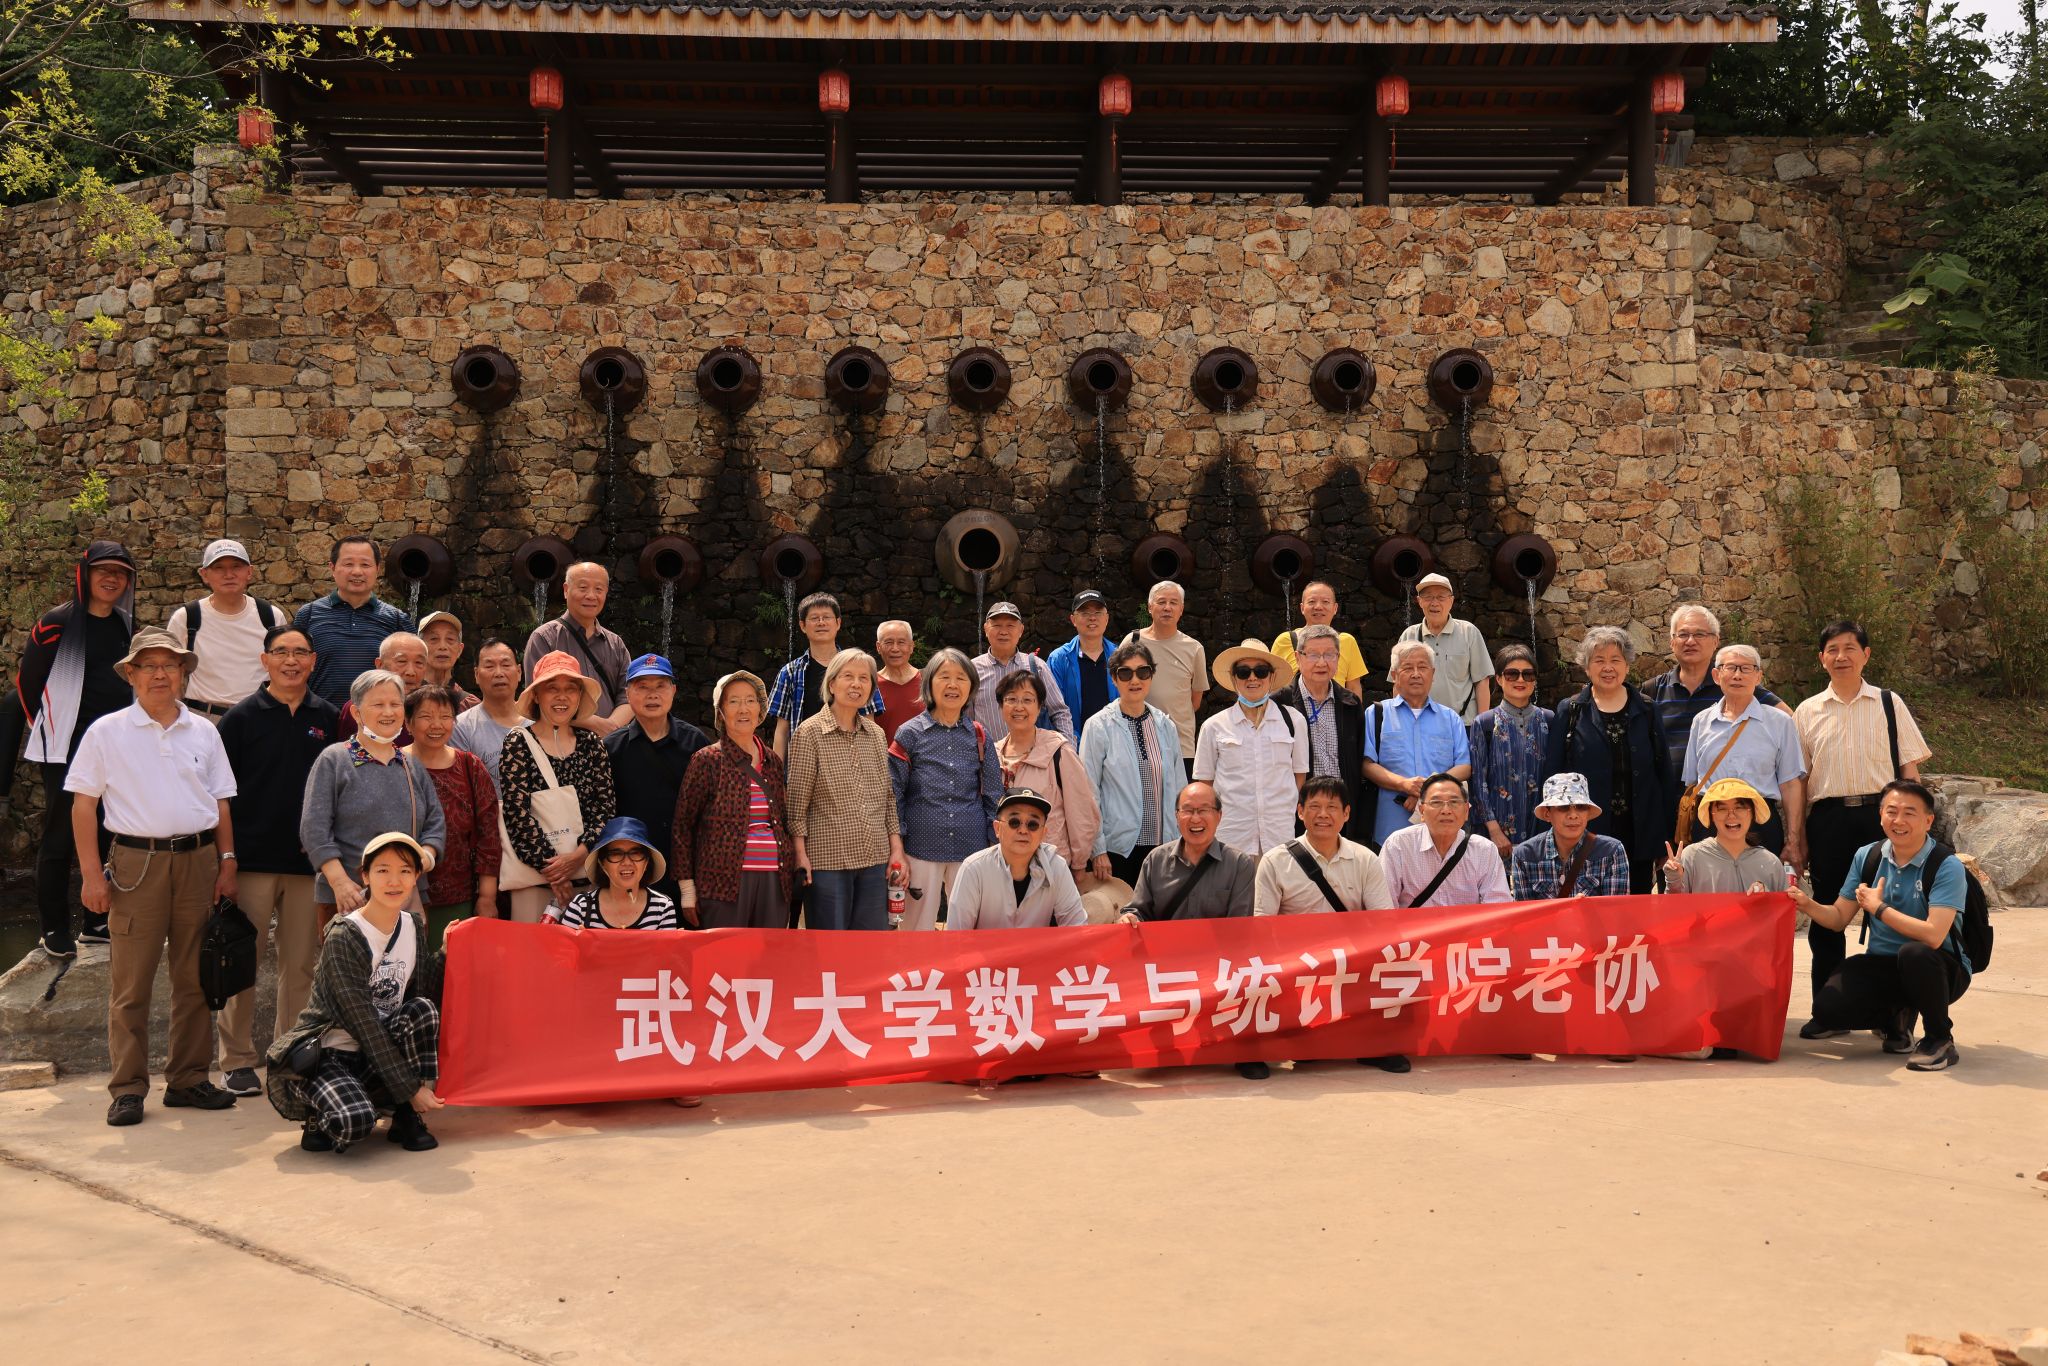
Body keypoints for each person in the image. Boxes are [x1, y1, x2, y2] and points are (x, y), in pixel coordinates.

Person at [65, 628, 240, 1127]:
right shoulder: (106, 731)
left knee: (194, 977)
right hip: (135, 864)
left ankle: (188, 1079)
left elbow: (221, 801)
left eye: (170, 665)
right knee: (131, 983)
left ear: (183, 673)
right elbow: (84, 805)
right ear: (131, 674)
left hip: (198, 861)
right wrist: (91, 875)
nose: (160, 674)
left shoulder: (204, 731)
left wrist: (227, 862)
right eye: (149, 665)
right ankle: (127, 1088)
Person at [214, 624, 341, 1098]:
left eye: (300, 652)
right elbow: (219, 796)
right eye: (281, 652)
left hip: (308, 864)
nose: (291, 661)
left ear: (313, 661)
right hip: (251, 861)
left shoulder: (329, 718)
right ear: (264, 659)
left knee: (301, 965)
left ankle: (289, 1054)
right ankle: (236, 1060)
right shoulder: (240, 719)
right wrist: (225, 861)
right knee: (241, 962)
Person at [265, 831, 445, 1153]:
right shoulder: (344, 935)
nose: (394, 881)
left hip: (376, 1050)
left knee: (422, 1010)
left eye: (405, 871)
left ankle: (404, 1114)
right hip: (330, 1053)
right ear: (365, 876)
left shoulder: (413, 925)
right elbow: (363, 1022)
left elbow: (425, 990)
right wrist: (410, 1089)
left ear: (416, 876)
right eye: (383, 870)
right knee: (355, 1122)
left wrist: (447, 951)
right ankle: (316, 1108)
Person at [0, 540, 135, 957]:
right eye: (103, 571)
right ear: (85, 575)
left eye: (120, 573)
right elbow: (27, 685)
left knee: (108, 832)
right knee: (60, 837)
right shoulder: (56, 623)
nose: (112, 579)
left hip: (115, 747)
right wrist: (52, 730)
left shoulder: (125, 626)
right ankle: (54, 927)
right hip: (66, 747)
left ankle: (97, 922)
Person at [1795, 619, 1932, 1017]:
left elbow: (1909, 771)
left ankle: (1894, 1017)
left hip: (1884, 819)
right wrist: (1797, 836)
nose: (1841, 656)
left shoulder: (1889, 703)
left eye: (1850, 648)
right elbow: (1799, 781)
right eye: (1832, 650)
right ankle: (1828, 1011)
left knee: (1895, 912)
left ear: (1866, 655)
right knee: (1827, 914)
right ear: (1821, 659)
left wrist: (1917, 825)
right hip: (1828, 821)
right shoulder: (1807, 711)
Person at [1790, 780, 1973, 1071]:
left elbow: (1933, 936)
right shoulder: (1869, 856)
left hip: (1940, 969)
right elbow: (1838, 919)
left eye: (1909, 813)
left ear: (1928, 821)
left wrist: (1879, 909)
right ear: (1880, 816)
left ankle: (1939, 1038)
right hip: (1883, 964)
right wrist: (1806, 903)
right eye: (1891, 811)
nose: (1898, 820)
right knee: (1828, 1009)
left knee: (1914, 953)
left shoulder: (1945, 864)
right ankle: (1895, 1019)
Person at [301, 669, 447, 921]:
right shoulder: (334, 760)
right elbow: (314, 828)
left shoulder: (411, 764)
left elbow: (435, 822)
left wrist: (425, 857)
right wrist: (339, 882)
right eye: (378, 705)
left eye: (395, 704)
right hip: (349, 897)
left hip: (406, 897)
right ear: (356, 713)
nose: (388, 712)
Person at [786, 648, 906, 932]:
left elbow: (888, 797)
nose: (856, 684)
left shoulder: (876, 734)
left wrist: (896, 850)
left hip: (875, 858)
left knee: (870, 946)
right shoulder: (809, 732)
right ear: (831, 684)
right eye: (848, 676)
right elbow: (796, 803)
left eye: (864, 678)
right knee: (830, 945)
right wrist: (800, 854)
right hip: (827, 861)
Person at [1544, 627, 1670, 895]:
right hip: (1586, 832)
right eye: (1599, 660)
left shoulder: (1647, 709)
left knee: (1636, 905)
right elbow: (1553, 774)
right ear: (1586, 667)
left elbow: (1664, 775)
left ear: (1627, 665)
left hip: (1639, 832)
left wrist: (1664, 839)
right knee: (1587, 904)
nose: (1608, 667)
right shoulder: (1571, 710)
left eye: (1615, 659)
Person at [889, 648, 1005, 931]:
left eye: (961, 678)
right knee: (915, 931)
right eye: (944, 677)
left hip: (971, 847)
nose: (953, 685)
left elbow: (993, 795)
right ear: (929, 683)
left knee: (968, 931)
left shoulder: (979, 735)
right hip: (920, 845)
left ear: (971, 687)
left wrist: (995, 846)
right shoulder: (909, 733)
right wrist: (897, 848)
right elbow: (893, 795)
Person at [498, 652, 616, 921]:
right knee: (533, 947)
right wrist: (555, 872)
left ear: (579, 696)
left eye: (570, 689)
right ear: (536, 695)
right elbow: (517, 813)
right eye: (552, 688)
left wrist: (578, 857)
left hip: (587, 875)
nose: (562, 697)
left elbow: (605, 809)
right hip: (533, 880)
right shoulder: (518, 743)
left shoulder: (591, 743)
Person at [673, 671, 796, 929]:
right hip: (721, 882)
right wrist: (687, 889)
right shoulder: (707, 760)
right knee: (725, 952)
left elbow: (782, 821)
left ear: (760, 709)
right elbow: (683, 827)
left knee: (769, 953)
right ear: (720, 712)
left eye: (750, 700)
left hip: (775, 880)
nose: (743, 709)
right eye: (733, 701)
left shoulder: (772, 761)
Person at [1680, 644, 1807, 866]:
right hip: (1711, 820)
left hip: (1760, 820)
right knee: (1710, 886)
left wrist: (1793, 840)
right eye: (1730, 668)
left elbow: (1790, 784)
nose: (1737, 675)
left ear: (1758, 676)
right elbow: (1692, 782)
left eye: (1746, 668)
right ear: (1716, 675)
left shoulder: (1779, 722)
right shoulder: (1701, 721)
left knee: (1762, 885)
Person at [1645, 603, 1790, 788]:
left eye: (1699, 634)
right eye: (1683, 634)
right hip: (1666, 798)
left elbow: (1790, 721)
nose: (1690, 641)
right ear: (1672, 642)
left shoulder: (1733, 684)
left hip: (1723, 799)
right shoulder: (1653, 690)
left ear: (1715, 641)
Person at [601, 654, 707, 905]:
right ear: (628, 694)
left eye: (660, 686)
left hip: (685, 870)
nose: (652, 695)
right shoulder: (611, 748)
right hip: (630, 870)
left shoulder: (695, 743)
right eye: (642, 687)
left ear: (673, 691)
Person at [1080, 641, 1187, 884]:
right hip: (1119, 850)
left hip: (1164, 847)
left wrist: (1182, 841)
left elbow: (1180, 789)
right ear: (1114, 679)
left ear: (1152, 675)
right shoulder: (1098, 726)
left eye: (1143, 672)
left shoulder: (1165, 725)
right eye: (1125, 673)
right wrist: (1098, 849)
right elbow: (1088, 792)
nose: (1135, 680)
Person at [404, 684, 500, 948]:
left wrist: (487, 896)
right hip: (399, 894)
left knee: (451, 966)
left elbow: (489, 834)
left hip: (458, 896)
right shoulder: (394, 765)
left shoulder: (470, 766)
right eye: (426, 716)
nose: (437, 725)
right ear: (408, 723)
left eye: (445, 716)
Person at [1194, 639, 1308, 858]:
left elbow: (1299, 775)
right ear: (1233, 678)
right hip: (1232, 834)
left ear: (1271, 677)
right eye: (1243, 672)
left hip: (1279, 834)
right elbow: (1204, 784)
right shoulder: (1213, 726)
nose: (1252, 678)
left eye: (1261, 671)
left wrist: (1287, 809)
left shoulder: (1294, 721)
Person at [992, 671, 1102, 887]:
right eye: (1011, 699)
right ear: (1001, 706)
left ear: (1040, 706)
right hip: (1001, 868)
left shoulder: (1058, 751)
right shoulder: (992, 754)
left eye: (1027, 700)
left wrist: (1079, 863)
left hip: (1051, 866)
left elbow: (1081, 812)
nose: (1019, 707)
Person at [1361, 642, 1473, 850]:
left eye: (1422, 667)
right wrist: (1404, 785)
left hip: (1442, 831)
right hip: (1389, 828)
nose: (1416, 674)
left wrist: (1427, 789)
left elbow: (1465, 766)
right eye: (1407, 668)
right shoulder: (1376, 714)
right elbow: (1367, 765)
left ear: (1433, 674)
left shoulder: (1450, 718)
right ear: (1394, 675)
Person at [164, 538, 286, 719]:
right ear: (204, 574)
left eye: (236, 566)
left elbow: (284, 668)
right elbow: (169, 671)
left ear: (249, 572)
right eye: (219, 568)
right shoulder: (186, 618)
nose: (229, 574)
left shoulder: (271, 617)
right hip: (203, 718)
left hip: (259, 718)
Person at [1272, 623, 1370, 844]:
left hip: (1340, 807)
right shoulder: (1279, 704)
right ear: (1298, 657)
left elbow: (1357, 758)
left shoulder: (1350, 703)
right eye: (1313, 655)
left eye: (1329, 655)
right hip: (1298, 807)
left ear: (1338, 658)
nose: (1322, 662)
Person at [294, 535, 414, 708]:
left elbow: (414, 672)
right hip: (321, 717)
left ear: (377, 569)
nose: (357, 572)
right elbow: (295, 668)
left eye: (365, 564)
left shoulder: (397, 619)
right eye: (348, 564)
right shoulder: (308, 614)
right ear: (332, 567)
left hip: (378, 718)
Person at [944, 788, 1088, 929]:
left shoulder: (1056, 867)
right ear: (997, 829)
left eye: (1033, 825)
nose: (1023, 830)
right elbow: (957, 935)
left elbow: (1076, 926)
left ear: (1043, 833)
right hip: (984, 947)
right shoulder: (973, 869)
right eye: (1014, 822)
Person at [1116, 781, 1257, 924]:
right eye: (1188, 810)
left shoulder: (1239, 864)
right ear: (1177, 816)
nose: (1195, 819)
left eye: (1203, 810)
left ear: (1219, 816)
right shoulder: (1156, 860)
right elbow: (1138, 911)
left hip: (1220, 940)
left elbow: (1240, 926)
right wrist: (1129, 918)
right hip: (1167, 939)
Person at [1253, 776, 1392, 916]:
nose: (1323, 814)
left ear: (1346, 813)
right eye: (1315, 806)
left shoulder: (1366, 860)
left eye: (1331, 807)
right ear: (1300, 811)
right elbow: (1264, 923)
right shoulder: (1274, 862)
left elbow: (1383, 919)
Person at [768, 591, 882, 756]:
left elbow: (869, 721)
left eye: (826, 617)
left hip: (850, 760)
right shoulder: (790, 672)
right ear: (802, 626)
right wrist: (777, 770)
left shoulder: (860, 668)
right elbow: (782, 731)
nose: (821, 622)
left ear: (838, 623)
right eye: (814, 618)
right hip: (804, 760)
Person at [524, 561, 632, 733]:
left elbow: (628, 694)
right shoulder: (545, 638)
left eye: (599, 589)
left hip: (611, 741)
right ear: (566, 590)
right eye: (583, 588)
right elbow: (537, 695)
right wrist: (596, 725)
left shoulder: (615, 643)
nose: (591, 596)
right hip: (561, 741)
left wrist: (611, 729)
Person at [1468, 643, 1552, 860]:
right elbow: (1478, 781)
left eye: (1528, 674)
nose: (1520, 680)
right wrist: (1493, 830)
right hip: (1495, 834)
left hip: (1542, 830)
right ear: (1498, 679)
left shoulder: (1549, 720)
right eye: (1512, 674)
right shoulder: (1485, 723)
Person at [1380, 774, 1513, 910]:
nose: (1446, 810)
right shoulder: (1398, 846)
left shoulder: (1484, 850)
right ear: (1422, 811)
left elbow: (1498, 908)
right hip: (1413, 925)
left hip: (1468, 925)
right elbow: (1383, 908)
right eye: (1436, 802)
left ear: (1466, 811)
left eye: (1454, 802)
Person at [1126, 580, 1206, 776]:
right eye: (1161, 602)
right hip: (1137, 741)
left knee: (1179, 796)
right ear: (1150, 607)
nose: (1167, 608)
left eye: (1173, 603)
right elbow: (1119, 688)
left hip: (1180, 745)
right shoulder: (1133, 642)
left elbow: (1195, 700)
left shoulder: (1194, 648)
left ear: (1181, 609)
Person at [1509, 772, 1631, 901]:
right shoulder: (1524, 855)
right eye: (1563, 807)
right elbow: (1526, 912)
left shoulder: (1612, 851)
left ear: (1588, 812)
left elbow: (1616, 909)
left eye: (1581, 807)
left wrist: (1588, 909)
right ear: (1547, 814)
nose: (1573, 815)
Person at [547, 817, 681, 931]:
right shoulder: (581, 906)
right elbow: (563, 953)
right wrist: (582, 945)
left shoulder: (662, 907)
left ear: (646, 862)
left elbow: (665, 954)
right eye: (616, 854)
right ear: (602, 864)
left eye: (635, 853)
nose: (627, 862)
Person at [1395, 573, 1494, 721]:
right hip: (1419, 723)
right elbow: (1398, 684)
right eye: (1428, 597)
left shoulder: (1469, 632)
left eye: (1441, 597)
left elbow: (1482, 681)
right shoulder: (1409, 636)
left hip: (1463, 723)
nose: (1434, 603)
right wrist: (1400, 722)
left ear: (1451, 601)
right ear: (1419, 601)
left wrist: (1482, 725)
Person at [971, 601, 1074, 742]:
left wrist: (1067, 748)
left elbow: (1059, 712)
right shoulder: (973, 670)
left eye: (1010, 626)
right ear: (985, 629)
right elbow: (966, 720)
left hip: (1035, 753)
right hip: (989, 754)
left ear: (1021, 630)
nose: (1003, 632)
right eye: (997, 625)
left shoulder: (1036, 667)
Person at [1662, 778, 1784, 895]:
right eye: (1722, 809)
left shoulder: (1770, 862)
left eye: (1739, 808)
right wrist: (1674, 882)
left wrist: (1769, 897)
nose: (1731, 815)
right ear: (1711, 816)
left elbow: (1784, 906)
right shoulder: (1692, 857)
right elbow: (1673, 906)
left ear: (1752, 813)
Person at [450, 637, 528, 799]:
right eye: (489, 666)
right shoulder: (461, 727)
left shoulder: (539, 724)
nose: (499, 673)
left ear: (519, 672)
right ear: (476, 675)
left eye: (506, 665)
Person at [1269, 581, 1369, 700]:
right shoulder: (1284, 641)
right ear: (1302, 608)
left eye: (1325, 602)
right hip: (1292, 710)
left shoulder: (1347, 641)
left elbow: (1353, 687)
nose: (1318, 607)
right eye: (1311, 602)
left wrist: (1356, 711)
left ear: (1335, 608)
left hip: (1336, 709)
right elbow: (1273, 685)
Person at [335, 630, 428, 743]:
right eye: (402, 661)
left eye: (419, 663)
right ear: (380, 665)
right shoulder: (359, 708)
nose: (411, 672)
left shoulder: (432, 707)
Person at [1048, 589, 1116, 733]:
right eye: (1085, 613)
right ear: (1073, 620)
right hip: (1073, 741)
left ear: (1106, 619)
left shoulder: (1119, 656)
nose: (1092, 618)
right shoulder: (1059, 659)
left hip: (1116, 740)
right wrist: (1073, 741)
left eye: (1098, 613)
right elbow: (1053, 709)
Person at [873, 619, 925, 743]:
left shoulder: (928, 681)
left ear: (911, 646)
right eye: (888, 642)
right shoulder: (870, 685)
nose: (895, 649)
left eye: (901, 642)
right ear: (878, 647)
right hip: (884, 755)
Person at [417, 611, 480, 711]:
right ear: (419, 647)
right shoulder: (403, 700)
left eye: (450, 639)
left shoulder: (471, 706)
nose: (442, 646)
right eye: (434, 638)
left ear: (460, 650)